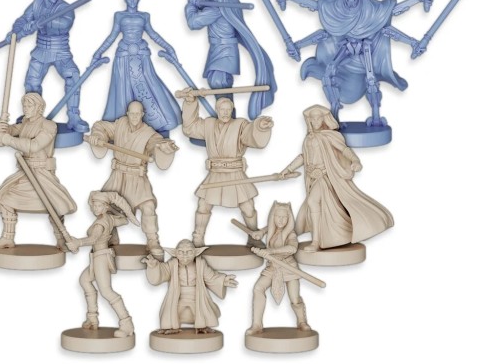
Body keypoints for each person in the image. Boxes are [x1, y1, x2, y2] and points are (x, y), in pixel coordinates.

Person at [280, 105, 394, 252]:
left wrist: (355, 160)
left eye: (318, 118)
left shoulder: (329, 136)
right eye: (313, 118)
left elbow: (344, 149)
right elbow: (303, 157)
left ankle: (316, 241)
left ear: (324, 119)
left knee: (313, 202)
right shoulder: (308, 138)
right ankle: (324, 237)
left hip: (325, 177)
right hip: (312, 178)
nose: (315, 121)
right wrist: (288, 169)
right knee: (318, 206)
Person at [86, 101, 178, 260]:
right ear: (127, 114)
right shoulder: (120, 125)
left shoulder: (148, 133)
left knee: (148, 207)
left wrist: (164, 147)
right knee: (104, 205)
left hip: (137, 179)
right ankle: (109, 238)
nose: (134, 117)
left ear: (142, 114)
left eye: (137, 114)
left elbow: (156, 143)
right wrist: (97, 137)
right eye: (132, 113)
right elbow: (101, 127)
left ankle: (153, 241)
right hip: (118, 176)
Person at [181, 89, 273, 247]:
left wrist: (261, 126)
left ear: (232, 110)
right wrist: (190, 102)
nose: (225, 113)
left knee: (248, 208)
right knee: (203, 206)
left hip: (235, 173)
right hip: (215, 173)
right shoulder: (208, 124)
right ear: (217, 110)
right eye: (222, 109)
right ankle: (198, 238)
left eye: (228, 110)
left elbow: (251, 133)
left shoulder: (240, 125)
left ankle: (253, 237)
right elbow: (190, 128)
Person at [185, 0, 277, 119]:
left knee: (219, 82)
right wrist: (201, 0)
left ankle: (227, 120)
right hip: (217, 49)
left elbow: (194, 22)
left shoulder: (220, 4)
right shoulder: (225, 0)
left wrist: (191, 5)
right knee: (218, 83)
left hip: (225, 50)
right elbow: (205, 9)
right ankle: (226, 120)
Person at [0, 93, 76, 250]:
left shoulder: (49, 126)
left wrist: (7, 139)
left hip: (42, 174)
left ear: (39, 108)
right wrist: (0, 128)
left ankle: (62, 239)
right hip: (25, 172)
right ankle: (7, 238)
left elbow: (34, 146)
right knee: (5, 199)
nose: (25, 108)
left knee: (54, 206)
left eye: (29, 105)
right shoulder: (25, 122)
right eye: (24, 105)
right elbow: (11, 130)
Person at [91, 0, 181, 135]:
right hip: (124, 56)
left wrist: (169, 47)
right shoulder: (119, 15)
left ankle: (156, 122)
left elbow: (153, 34)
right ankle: (123, 127)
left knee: (149, 84)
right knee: (123, 89)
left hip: (141, 56)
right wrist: (98, 52)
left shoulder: (144, 16)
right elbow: (112, 36)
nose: (132, 0)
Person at [6, 0, 88, 132]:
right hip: (41, 50)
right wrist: (16, 32)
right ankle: (32, 117)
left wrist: (41, 22)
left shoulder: (65, 7)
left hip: (60, 51)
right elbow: (24, 18)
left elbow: (65, 24)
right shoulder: (37, 3)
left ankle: (74, 117)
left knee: (73, 76)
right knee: (32, 82)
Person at [66, 191, 139, 338]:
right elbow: (124, 220)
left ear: (105, 207)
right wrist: (112, 209)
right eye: (94, 205)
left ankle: (126, 323)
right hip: (97, 256)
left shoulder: (100, 223)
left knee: (106, 291)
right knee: (84, 280)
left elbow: (93, 239)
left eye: (99, 206)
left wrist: (78, 242)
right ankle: (92, 317)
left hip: (101, 257)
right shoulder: (109, 218)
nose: (95, 208)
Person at [143, 239, 237, 334]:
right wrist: (153, 267)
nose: (185, 255)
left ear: (196, 252)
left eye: (189, 252)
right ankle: (172, 327)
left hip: (196, 296)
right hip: (178, 296)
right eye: (181, 252)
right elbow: (162, 272)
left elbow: (211, 277)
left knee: (201, 311)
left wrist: (223, 280)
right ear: (175, 253)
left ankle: (202, 327)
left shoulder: (200, 264)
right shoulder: (172, 264)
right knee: (171, 313)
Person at [246, 202, 310, 335]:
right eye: (278, 217)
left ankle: (302, 322)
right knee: (258, 288)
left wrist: (271, 251)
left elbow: (292, 248)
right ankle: (257, 324)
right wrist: (259, 233)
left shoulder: (290, 234)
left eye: (284, 217)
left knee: (295, 298)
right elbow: (264, 230)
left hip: (289, 267)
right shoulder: (271, 229)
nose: (281, 220)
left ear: (289, 219)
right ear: (273, 217)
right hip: (272, 267)